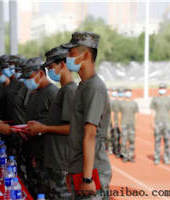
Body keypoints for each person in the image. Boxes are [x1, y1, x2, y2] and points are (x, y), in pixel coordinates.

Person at [62, 32, 112, 199]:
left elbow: (90, 135)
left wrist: (87, 178)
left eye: (72, 53)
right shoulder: (83, 85)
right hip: (80, 168)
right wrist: (73, 171)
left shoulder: (94, 88)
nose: (67, 57)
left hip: (92, 171)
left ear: (87, 55)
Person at [27, 46, 76, 200]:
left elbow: (72, 128)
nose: (49, 71)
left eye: (51, 67)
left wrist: (44, 128)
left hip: (62, 162)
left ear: (63, 64)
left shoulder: (69, 91)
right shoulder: (63, 90)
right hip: (54, 159)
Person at [20, 57, 59, 197]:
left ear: (41, 74)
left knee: (44, 192)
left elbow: (58, 125)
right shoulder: (33, 93)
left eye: (28, 77)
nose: (26, 81)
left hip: (45, 155)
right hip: (32, 150)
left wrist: (41, 129)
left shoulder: (53, 93)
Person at [150, 83, 170, 165]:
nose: (162, 89)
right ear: (158, 89)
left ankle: (166, 158)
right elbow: (152, 111)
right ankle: (156, 158)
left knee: (167, 141)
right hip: (157, 122)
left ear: (166, 89)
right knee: (157, 141)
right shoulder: (155, 99)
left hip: (167, 122)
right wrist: (152, 121)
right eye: (160, 88)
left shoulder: (169, 99)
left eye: (163, 88)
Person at [118, 88, 139, 162]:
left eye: (129, 92)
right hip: (124, 124)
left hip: (132, 125)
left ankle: (130, 155)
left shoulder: (134, 103)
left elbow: (136, 114)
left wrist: (135, 124)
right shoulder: (121, 103)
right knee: (123, 141)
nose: (128, 93)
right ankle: (124, 155)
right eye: (127, 92)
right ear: (125, 93)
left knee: (131, 140)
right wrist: (119, 124)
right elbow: (119, 114)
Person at [109, 88, 121, 157]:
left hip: (121, 121)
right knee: (114, 136)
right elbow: (111, 112)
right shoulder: (112, 102)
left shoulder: (122, 102)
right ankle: (115, 150)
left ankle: (118, 150)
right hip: (114, 121)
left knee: (118, 137)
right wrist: (113, 121)